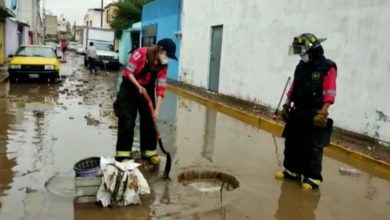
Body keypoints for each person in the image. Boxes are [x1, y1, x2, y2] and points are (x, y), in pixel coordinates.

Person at [275, 33, 337, 190]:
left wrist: (323, 113)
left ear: (311, 50)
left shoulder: (327, 68)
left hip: (314, 112)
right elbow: (294, 87)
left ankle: (312, 178)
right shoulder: (301, 67)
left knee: (312, 147)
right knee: (292, 141)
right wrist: (287, 104)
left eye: (301, 52)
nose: (300, 56)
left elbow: (330, 92)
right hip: (298, 111)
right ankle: (292, 171)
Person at [113, 38, 177, 166]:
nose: (167, 58)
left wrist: (156, 110)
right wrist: (138, 87)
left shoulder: (163, 65)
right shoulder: (140, 53)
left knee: (150, 120)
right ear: (160, 49)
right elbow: (128, 72)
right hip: (130, 87)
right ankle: (123, 155)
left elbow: (161, 87)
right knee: (127, 119)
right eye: (167, 55)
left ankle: (149, 152)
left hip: (146, 90)